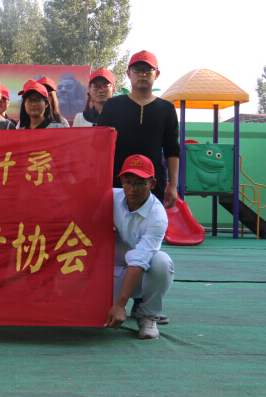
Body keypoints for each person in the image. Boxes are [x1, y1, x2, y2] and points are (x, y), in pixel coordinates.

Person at [96, 50, 179, 208]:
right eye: (137, 69)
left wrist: (173, 185)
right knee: (115, 224)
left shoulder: (166, 108)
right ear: (128, 73)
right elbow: (98, 145)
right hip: (116, 184)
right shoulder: (112, 106)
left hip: (153, 185)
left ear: (157, 74)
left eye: (148, 69)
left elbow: (172, 148)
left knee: (152, 224)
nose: (143, 74)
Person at [104, 154, 174, 339]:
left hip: (140, 273)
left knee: (161, 261)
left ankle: (148, 316)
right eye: (128, 182)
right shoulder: (109, 197)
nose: (132, 189)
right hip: (109, 270)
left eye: (140, 183)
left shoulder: (157, 217)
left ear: (152, 184)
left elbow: (139, 260)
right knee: (97, 315)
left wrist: (120, 304)